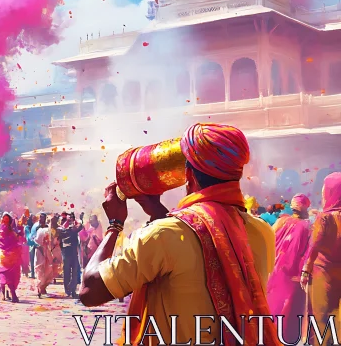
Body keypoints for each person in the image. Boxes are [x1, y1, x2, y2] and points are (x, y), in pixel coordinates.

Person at [79, 123, 276, 345]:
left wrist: (114, 224)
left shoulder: (163, 235)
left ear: (188, 175)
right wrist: (158, 212)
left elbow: (90, 290)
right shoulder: (262, 231)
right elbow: (203, 244)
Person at [302, 172, 341, 340]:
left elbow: (314, 246)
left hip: (323, 274)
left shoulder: (325, 217)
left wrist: (305, 270)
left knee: (320, 318)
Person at [267, 194, 312, 342]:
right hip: (294, 273)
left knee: (274, 302)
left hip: (275, 269)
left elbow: (269, 240)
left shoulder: (281, 221)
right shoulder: (308, 226)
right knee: (290, 308)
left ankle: (269, 334)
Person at [0, 213, 22, 303]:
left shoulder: (12, 229)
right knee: (5, 275)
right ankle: (10, 294)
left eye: (8, 219)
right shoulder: (2, 229)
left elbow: (16, 239)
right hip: (4, 256)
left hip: (12, 255)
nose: (6, 220)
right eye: (5, 219)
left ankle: (10, 293)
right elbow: (2, 241)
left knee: (13, 275)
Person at [60, 212, 84, 298]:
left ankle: (72, 290)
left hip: (73, 253)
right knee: (67, 273)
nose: (70, 221)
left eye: (71, 219)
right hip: (66, 254)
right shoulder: (62, 229)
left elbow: (79, 227)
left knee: (74, 272)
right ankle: (68, 290)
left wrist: (80, 220)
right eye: (68, 219)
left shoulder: (72, 228)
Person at [33, 214, 54, 298]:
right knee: (39, 268)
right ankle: (38, 287)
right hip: (39, 251)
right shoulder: (36, 227)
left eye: (44, 218)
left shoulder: (48, 228)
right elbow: (33, 239)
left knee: (47, 269)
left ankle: (43, 286)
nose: (42, 219)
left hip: (46, 250)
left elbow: (50, 239)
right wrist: (39, 247)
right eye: (41, 218)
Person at [28, 213, 46, 279]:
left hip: (43, 245)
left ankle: (43, 275)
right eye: (41, 217)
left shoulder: (46, 226)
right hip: (34, 244)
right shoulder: (35, 225)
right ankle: (33, 273)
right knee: (33, 259)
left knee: (44, 260)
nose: (42, 218)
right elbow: (32, 235)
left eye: (43, 217)